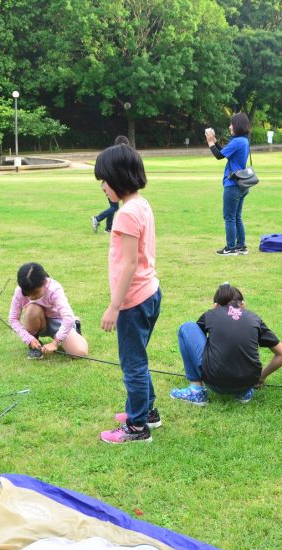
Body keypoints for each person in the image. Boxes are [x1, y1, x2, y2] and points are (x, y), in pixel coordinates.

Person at [95, 143, 162, 443]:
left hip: (134, 301)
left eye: (104, 180)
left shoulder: (124, 215)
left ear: (118, 178)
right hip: (150, 293)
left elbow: (130, 264)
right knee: (139, 358)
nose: (102, 187)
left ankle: (136, 427)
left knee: (132, 364)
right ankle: (147, 411)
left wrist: (114, 306)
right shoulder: (141, 204)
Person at [170, 283, 282, 406]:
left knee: (187, 327)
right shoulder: (255, 318)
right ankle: (244, 393)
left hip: (215, 383)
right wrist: (261, 377)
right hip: (248, 384)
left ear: (216, 305)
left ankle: (196, 391)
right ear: (243, 304)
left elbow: (195, 339)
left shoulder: (211, 314)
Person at [8, 262, 89, 360]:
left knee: (80, 353)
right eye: (27, 293)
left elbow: (68, 317)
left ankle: (74, 327)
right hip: (36, 321)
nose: (31, 297)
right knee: (32, 308)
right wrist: (29, 339)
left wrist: (56, 342)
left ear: (45, 282)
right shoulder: (19, 291)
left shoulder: (54, 289)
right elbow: (13, 319)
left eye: (35, 293)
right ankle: (35, 345)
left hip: (58, 322)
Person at [206, 112, 251, 256]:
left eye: (232, 124)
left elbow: (219, 156)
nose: (230, 126)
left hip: (232, 184)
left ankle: (231, 248)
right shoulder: (243, 140)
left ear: (237, 125)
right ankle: (241, 246)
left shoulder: (237, 142)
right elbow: (225, 152)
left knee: (229, 217)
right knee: (237, 216)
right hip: (242, 184)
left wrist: (210, 142)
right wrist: (215, 141)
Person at [91, 135, 129, 233]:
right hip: (111, 184)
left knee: (113, 206)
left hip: (108, 184)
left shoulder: (111, 155)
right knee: (114, 207)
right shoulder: (117, 157)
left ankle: (108, 228)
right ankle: (97, 219)